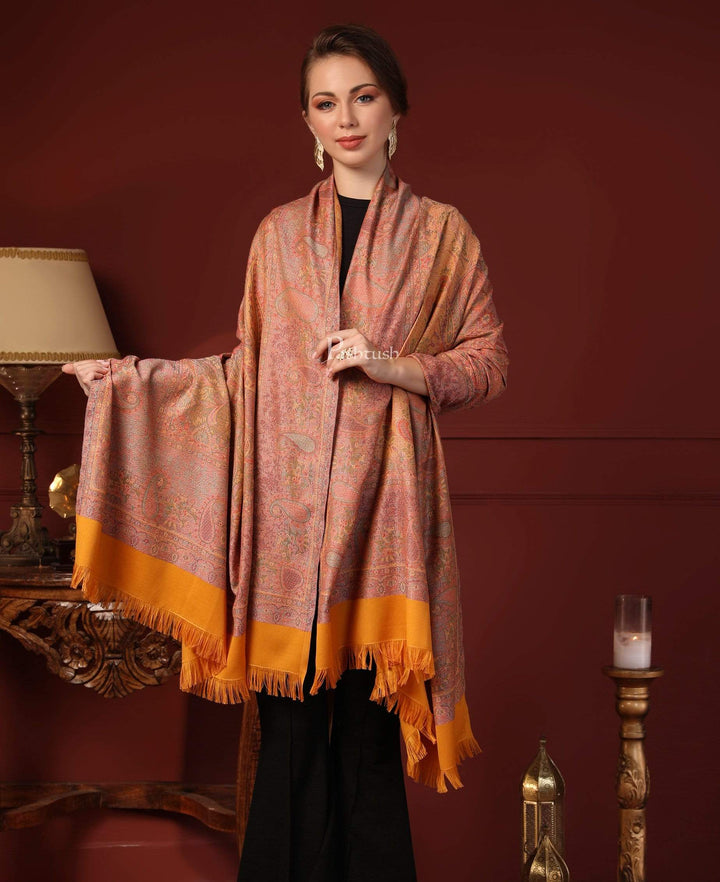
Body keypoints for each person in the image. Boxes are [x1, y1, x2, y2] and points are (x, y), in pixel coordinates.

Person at [64, 22, 509, 882]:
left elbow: (487, 362)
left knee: (368, 746)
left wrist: (391, 364)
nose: (347, 119)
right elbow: (246, 375)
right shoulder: (275, 237)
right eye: (325, 103)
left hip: (383, 524)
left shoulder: (443, 236)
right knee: (289, 744)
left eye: (363, 97)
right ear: (307, 121)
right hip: (284, 532)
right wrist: (127, 381)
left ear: (395, 109)